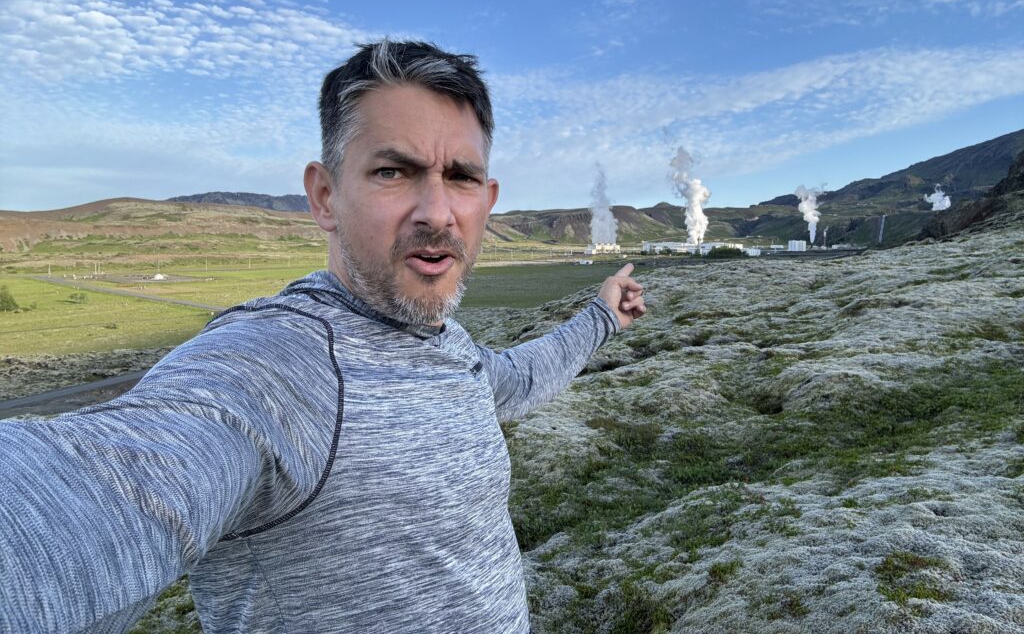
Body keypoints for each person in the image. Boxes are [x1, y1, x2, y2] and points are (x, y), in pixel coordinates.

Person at [0, 39, 645, 633]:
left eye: (461, 178)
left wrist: (602, 317)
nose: (437, 212)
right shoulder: (277, 365)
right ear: (325, 196)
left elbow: (508, 379)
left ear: (489, 199)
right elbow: (87, 496)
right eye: (393, 172)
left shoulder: (447, 345)